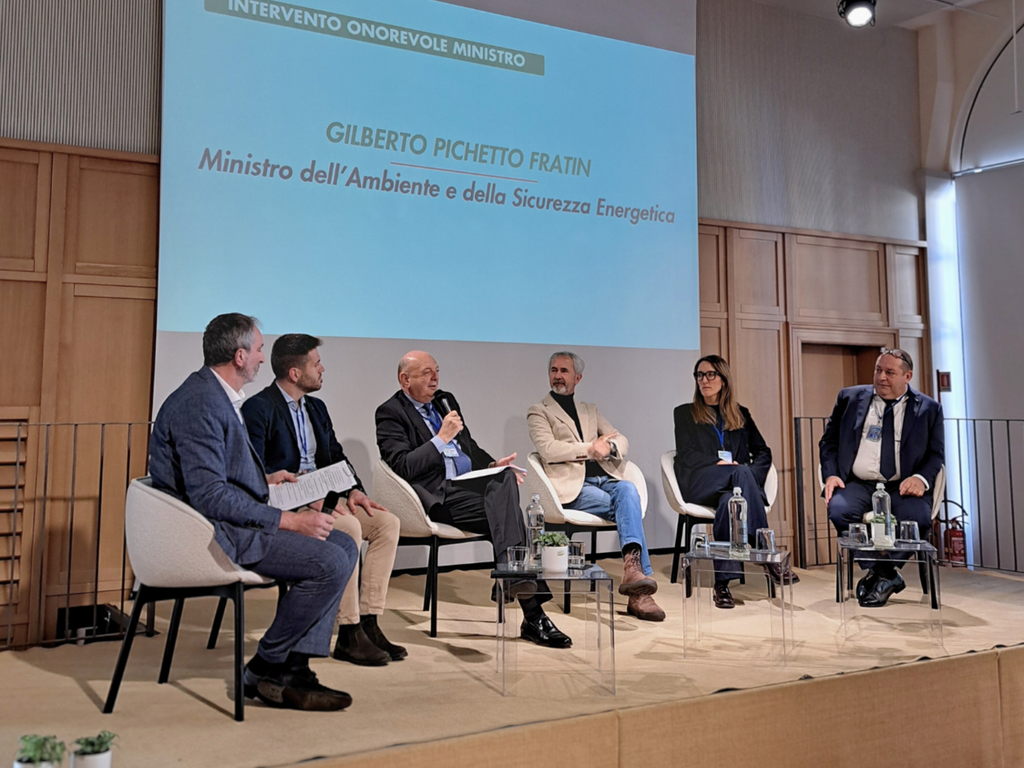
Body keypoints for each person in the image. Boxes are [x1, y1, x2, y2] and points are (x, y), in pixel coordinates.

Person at [149, 313, 356, 711]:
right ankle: (265, 666)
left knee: (344, 545)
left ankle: (293, 669)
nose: (263, 357)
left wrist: (264, 478)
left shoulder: (214, 395)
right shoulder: (201, 404)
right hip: (216, 534)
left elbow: (218, 475)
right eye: (259, 349)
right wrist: (290, 519)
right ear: (240, 356)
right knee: (329, 561)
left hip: (230, 523)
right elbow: (210, 496)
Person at [375, 350, 571, 648]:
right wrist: (440, 438)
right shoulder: (390, 413)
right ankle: (533, 614)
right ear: (405, 380)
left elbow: (469, 447)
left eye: (437, 371)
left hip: (467, 490)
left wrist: (492, 465)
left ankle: (519, 590)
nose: (435, 378)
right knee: (509, 516)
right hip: (438, 498)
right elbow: (403, 466)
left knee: (504, 479)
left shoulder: (445, 400)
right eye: (426, 373)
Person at [242, 334, 405, 666]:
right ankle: (348, 630)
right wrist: (306, 492)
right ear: (294, 373)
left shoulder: (316, 408)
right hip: (290, 504)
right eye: (316, 364)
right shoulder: (258, 409)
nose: (322, 369)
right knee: (347, 527)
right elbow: (255, 471)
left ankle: (369, 621)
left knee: (387, 523)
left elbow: (336, 456)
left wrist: (354, 489)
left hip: (325, 497)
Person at [527, 351, 665, 621]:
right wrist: (591, 448)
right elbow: (549, 449)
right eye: (554, 370)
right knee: (628, 508)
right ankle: (640, 592)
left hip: (604, 479)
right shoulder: (539, 411)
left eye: (564, 371)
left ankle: (633, 573)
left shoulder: (590, 410)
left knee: (628, 489)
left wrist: (609, 447)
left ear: (577, 378)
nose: (557, 375)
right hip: (573, 488)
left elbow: (621, 440)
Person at [820, 348, 944, 607]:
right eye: (878, 370)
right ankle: (886, 574)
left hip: (902, 485)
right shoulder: (849, 398)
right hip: (859, 483)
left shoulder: (928, 409)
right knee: (840, 510)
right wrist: (831, 474)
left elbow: (936, 454)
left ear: (907, 376)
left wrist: (921, 478)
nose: (881, 377)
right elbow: (828, 442)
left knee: (917, 518)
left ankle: (880, 575)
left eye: (889, 372)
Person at [673, 354, 793, 610]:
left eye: (710, 375)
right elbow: (686, 454)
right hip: (701, 483)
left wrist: (748, 475)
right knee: (740, 472)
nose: (704, 380)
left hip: (732, 488)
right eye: (699, 375)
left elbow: (763, 452)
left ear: (724, 380)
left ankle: (722, 585)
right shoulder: (684, 413)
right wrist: (720, 464)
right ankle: (765, 551)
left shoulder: (741, 414)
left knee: (730, 502)